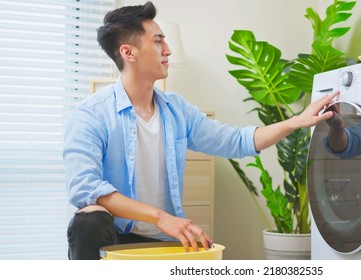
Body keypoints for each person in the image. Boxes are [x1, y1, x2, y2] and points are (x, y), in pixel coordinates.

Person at [63, 1, 339, 260]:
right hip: (116, 240)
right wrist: (160, 216)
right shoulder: (91, 114)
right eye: (158, 41)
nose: (167, 50)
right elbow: (84, 187)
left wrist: (296, 121)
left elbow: (235, 141)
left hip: (164, 240)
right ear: (128, 52)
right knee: (90, 219)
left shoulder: (176, 110)